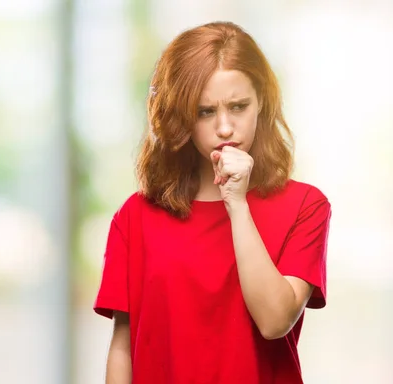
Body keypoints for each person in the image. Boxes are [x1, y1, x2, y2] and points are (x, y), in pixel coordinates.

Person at [93, 21, 332, 384]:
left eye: (238, 107)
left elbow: (274, 321)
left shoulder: (306, 206)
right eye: (205, 111)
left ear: (262, 102)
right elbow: (123, 346)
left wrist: (237, 204)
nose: (224, 127)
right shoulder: (135, 217)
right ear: (181, 115)